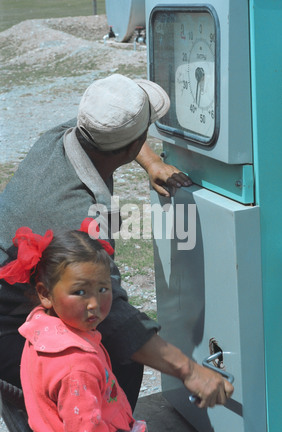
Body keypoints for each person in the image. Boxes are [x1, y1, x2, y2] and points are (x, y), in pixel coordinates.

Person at [0, 73, 233, 411]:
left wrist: (152, 162)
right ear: (127, 147)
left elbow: (116, 136)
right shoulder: (79, 221)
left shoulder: (65, 137)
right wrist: (191, 371)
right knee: (112, 360)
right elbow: (115, 319)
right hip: (11, 329)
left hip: (25, 299)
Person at [0, 219, 146, 432]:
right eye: (80, 292)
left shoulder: (40, 326)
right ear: (45, 293)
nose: (94, 303)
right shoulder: (77, 367)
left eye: (103, 289)